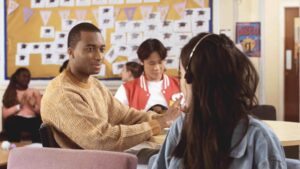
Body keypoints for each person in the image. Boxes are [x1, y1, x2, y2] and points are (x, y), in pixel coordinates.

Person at [150, 33, 287, 169]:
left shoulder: (259, 139)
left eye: (181, 75)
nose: (181, 82)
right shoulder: (181, 127)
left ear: (193, 79)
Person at [41, 22, 181, 151]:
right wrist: (158, 124)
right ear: (70, 52)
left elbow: (126, 116)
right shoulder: (64, 94)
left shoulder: (95, 85)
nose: (99, 56)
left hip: (100, 159)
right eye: (90, 49)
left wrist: (163, 118)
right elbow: (102, 140)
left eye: (102, 49)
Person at [115, 39, 181, 111]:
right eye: (151, 63)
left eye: (160, 62)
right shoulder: (127, 89)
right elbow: (116, 117)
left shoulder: (179, 84)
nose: (156, 68)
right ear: (141, 62)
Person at [2, 67, 42, 142]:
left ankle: (37, 148)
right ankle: (15, 149)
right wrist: (19, 106)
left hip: (32, 120)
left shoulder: (34, 91)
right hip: (17, 120)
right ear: (17, 77)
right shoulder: (10, 93)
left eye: (28, 76)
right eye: (24, 76)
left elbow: (41, 113)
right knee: (10, 122)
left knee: (40, 124)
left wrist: (33, 105)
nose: (27, 79)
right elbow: (5, 114)